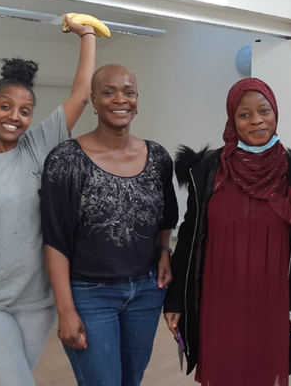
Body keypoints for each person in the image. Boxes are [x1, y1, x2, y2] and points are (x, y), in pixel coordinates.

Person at [0, 17, 96, 385]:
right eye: (5, 106)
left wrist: (88, 34)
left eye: (24, 111)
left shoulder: (39, 147)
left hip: (36, 304)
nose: (14, 116)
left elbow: (81, 94)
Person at [162, 78, 291, 386]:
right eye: (245, 114)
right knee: (223, 372)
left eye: (264, 110)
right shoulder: (207, 169)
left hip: (273, 297)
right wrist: (176, 300)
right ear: (232, 120)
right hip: (219, 297)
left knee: (263, 372)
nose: (257, 120)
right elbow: (190, 237)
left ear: (275, 113)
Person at [40, 63, 178, 386]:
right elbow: (55, 239)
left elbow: (166, 218)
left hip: (145, 293)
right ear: (94, 100)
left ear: (137, 100)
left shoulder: (158, 157)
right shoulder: (65, 160)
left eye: (128, 92)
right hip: (90, 294)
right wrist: (65, 310)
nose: (120, 99)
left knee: (131, 380)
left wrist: (164, 251)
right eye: (109, 92)